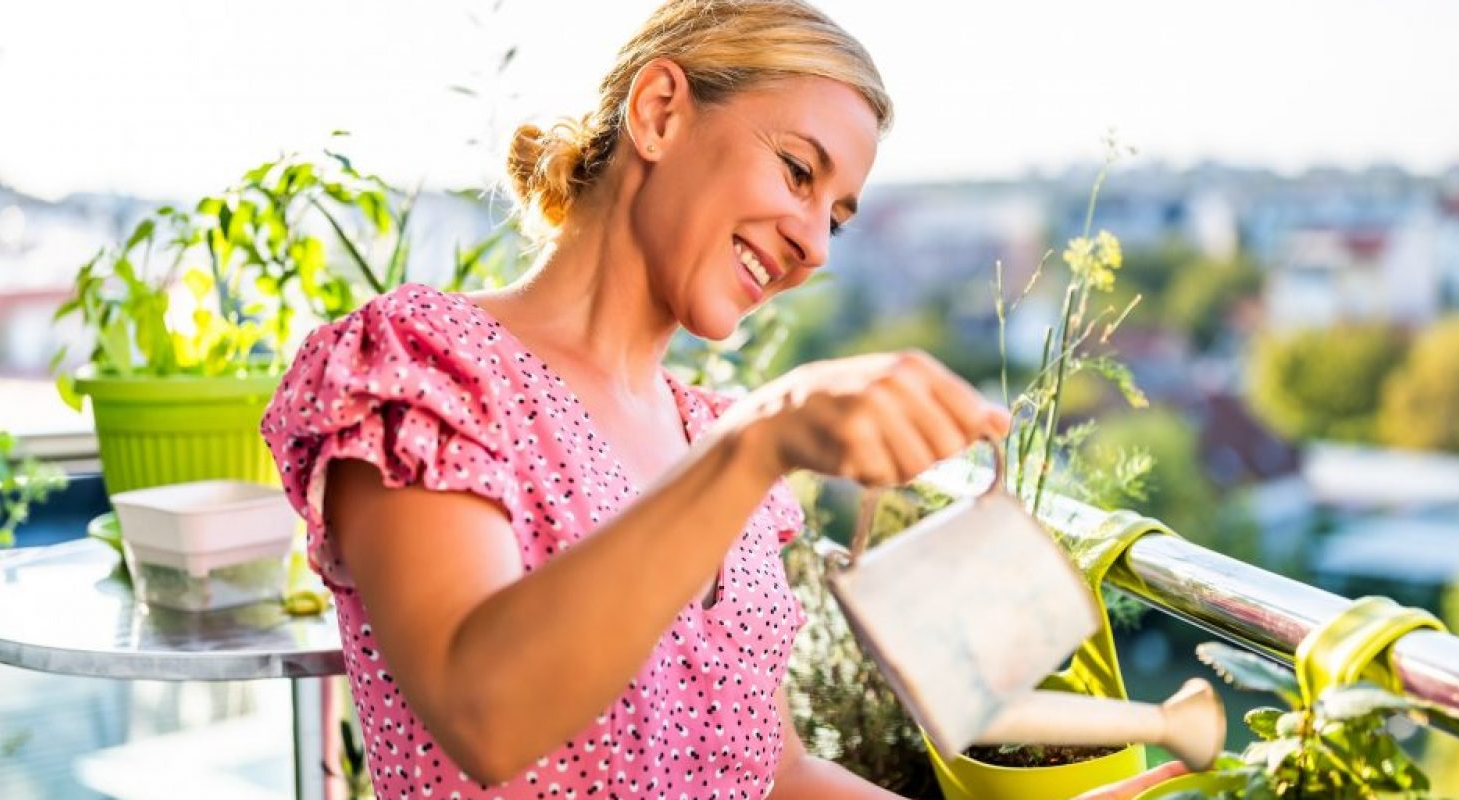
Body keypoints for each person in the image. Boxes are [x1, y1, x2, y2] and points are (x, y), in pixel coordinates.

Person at [262, 1, 1185, 797]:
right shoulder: (425, 370)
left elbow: (765, 774)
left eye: (837, 215)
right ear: (660, 112)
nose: (816, 246)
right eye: (797, 171)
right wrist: (760, 439)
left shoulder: (709, 435)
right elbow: (485, 713)